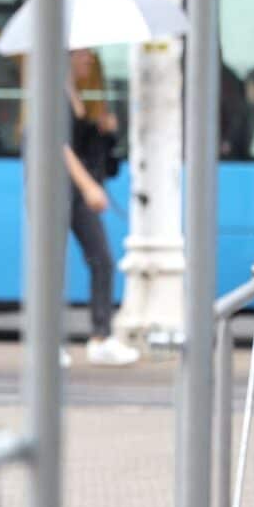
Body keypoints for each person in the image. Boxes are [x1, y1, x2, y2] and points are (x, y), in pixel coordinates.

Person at [64, 48, 140, 367]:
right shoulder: (53, 94)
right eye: (82, 54)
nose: (88, 61)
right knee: (51, 267)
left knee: (102, 260)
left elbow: (98, 158)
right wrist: (88, 186)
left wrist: (107, 134)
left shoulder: (87, 97)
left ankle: (101, 336)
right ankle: (47, 342)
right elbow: (57, 147)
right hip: (58, 191)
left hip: (80, 193)